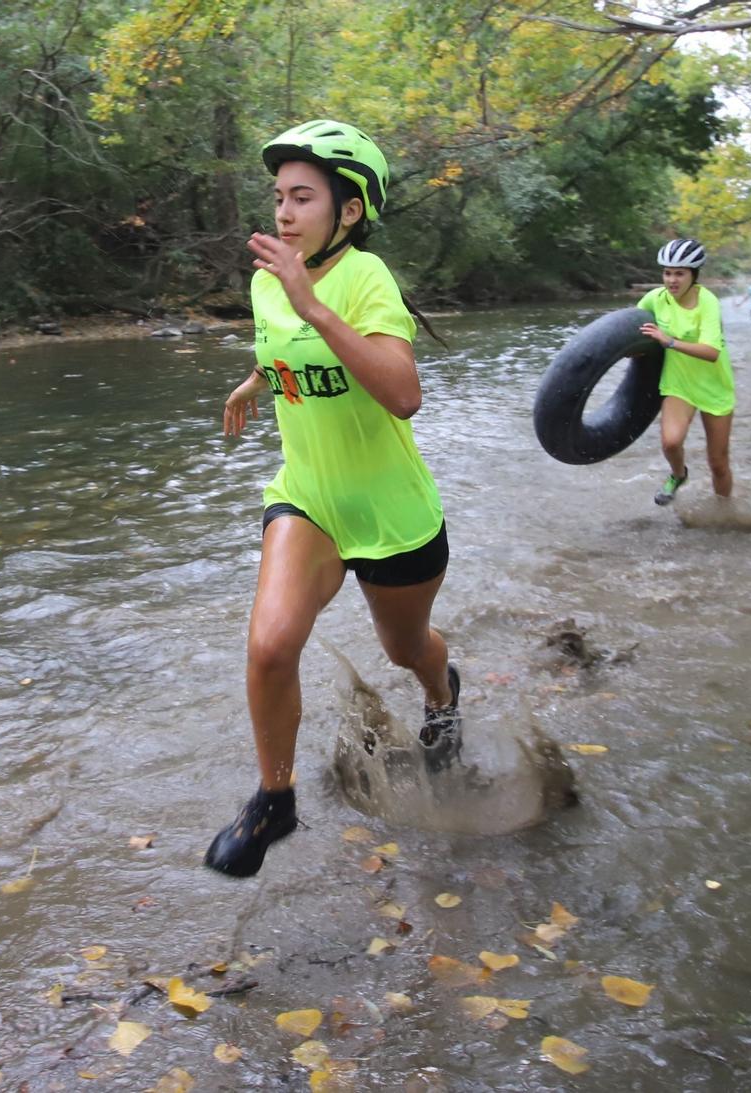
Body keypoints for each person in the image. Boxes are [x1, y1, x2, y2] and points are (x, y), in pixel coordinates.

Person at [208, 120, 458, 878]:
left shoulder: (364, 279)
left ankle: (443, 700)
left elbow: (402, 392)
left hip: (391, 513)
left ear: (348, 211)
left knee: (405, 650)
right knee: (270, 645)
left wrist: (313, 304)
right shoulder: (266, 279)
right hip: (307, 497)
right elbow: (282, 348)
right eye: (279, 196)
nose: (283, 212)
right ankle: (274, 798)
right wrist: (256, 379)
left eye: (302, 197)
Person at [638, 238, 731, 506]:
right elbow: (627, 329)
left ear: (694, 275)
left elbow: (712, 352)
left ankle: (723, 511)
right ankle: (679, 475)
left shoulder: (708, 302)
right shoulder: (655, 299)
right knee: (670, 442)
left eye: (679, 273)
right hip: (679, 384)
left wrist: (669, 341)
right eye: (667, 273)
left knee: (718, 463)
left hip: (715, 386)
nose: (671, 280)